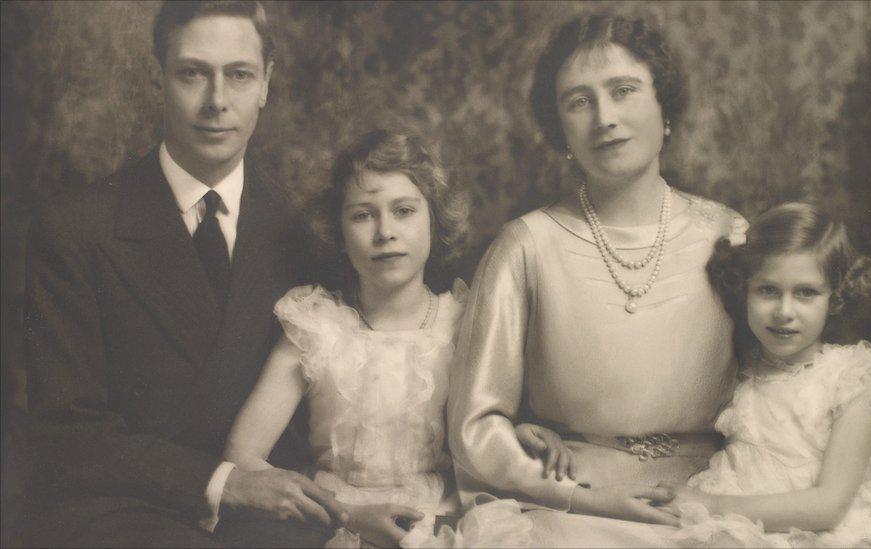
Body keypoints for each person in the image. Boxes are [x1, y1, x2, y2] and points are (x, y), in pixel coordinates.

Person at [21, 2, 345, 546]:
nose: (217, 102)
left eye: (239, 75)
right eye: (193, 73)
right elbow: (67, 432)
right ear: (158, 80)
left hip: (275, 525)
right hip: (121, 513)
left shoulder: (307, 235)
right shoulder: (75, 229)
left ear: (266, 83)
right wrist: (224, 482)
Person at [447, 12, 748, 546]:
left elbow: (782, 378)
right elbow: (477, 425)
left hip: (715, 492)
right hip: (578, 501)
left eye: (624, 90)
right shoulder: (525, 246)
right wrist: (543, 464)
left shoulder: (726, 233)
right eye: (578, 101)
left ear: (666, 107)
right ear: (560, 128)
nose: (604, 117)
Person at [519, 203, 871, 547]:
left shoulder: (852, 380)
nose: (784, 311)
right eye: (768, 290)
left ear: (836, 298)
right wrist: (546, 432)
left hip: (821, 531)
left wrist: (709, 506)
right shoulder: (740, 365)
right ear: (744, 289)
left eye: (805, 293)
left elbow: (828, 506)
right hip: (736, 519)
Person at [223, 130, 530, 548]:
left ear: (433, 219)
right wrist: (345, 515)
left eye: (403, 211)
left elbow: (493, 426)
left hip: (442, 521)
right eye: (363, 215)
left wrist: (528, 433)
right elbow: (241, 457)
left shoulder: (464, 322)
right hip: (334, 524)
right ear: (339, 229)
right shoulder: (316, 326)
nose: (385, 231)